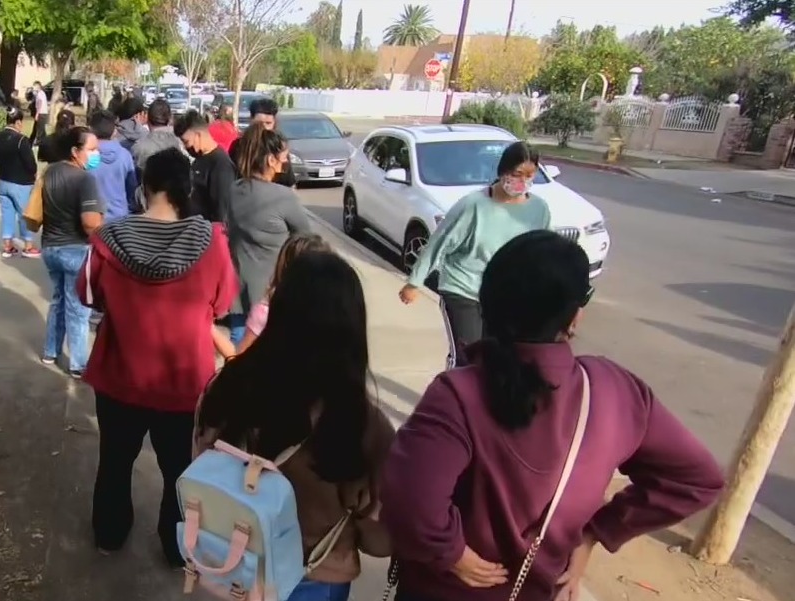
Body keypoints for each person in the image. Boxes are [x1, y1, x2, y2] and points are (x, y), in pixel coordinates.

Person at [380, 229, 725, 601]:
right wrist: (597, 532)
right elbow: (697, 480)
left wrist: (451, 552)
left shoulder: (457, 394)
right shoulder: (613, 391)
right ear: (574, 317)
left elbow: (408, 500)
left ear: (487, 304)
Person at [195, 249, 395, 601]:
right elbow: (379, 540)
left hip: (228, 562)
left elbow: (199, 461)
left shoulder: (226, 386)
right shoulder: (362, 423)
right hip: (312, 576)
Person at [77, 147, 238, 568]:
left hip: (119, 377)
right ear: (187, 190)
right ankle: (175, 546)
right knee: (181, 472)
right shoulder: (212, 242)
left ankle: (109, 534)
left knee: (115, 461)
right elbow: (223, 304)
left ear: (144, 188)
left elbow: (86, 294)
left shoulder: (108, 239)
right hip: (183, 383)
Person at [399, 141, 552, 370]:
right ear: (502, 172)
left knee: (496, 358)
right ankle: (453, 390)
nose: (522, 182)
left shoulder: (539, 210)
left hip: (504, 296)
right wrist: (415, 282)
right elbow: (439, 242)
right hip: (464, 289)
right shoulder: (473, 205)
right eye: (516, 174)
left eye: (529, 176)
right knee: (468, 358)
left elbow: (543, 252)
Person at [224, 124, 312, 346]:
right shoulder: (283, 197)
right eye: (283, 156)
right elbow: (307, 239)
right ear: (271, 160)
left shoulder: (234, 189)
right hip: (271, 296)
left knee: (239, 352)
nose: (286, 161)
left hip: (237, 293)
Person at [40, 126, 105, 378]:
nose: (96, 154)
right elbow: (90, 223)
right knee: (78, 309)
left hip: (50, 248)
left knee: (58, 300)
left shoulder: (50, 172)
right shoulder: (85, 179)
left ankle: (50, 351)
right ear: (75, 151)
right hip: (76, 250)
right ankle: (78, 364)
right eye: (92, 149)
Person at [237, 233, 330, 354]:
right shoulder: (331, 319)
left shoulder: (266, 314)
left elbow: (239, 358)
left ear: (283, 266)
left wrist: (213, 331)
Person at [0, 107, 41, 259]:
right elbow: (31, 165)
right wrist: (34, 176)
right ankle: (28, 246)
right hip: (20, 184)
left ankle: (8, 245)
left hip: (1, 181)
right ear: (18, 122)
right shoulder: (21, 140)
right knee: (24, 214)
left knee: (7, 213)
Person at [175, 109, 236, 223]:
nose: (185, 147)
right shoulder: (199, 160)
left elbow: (222, 212)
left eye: (186, 142)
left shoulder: (221, 166)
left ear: (198, 135)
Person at [229, 97, 295, 188]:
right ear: (251, 120)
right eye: (259, 123)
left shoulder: (279, 146)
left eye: (268, 123)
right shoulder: (239, 146)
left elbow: (289, 182)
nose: (263, 128)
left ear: (274, 123)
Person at [88, 109, 138, 222]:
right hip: (120, 217)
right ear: (114, 131)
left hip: (94, 218)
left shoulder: (88, 156)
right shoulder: (125, 155)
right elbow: (132, 188)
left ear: (91, 130)